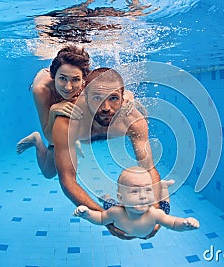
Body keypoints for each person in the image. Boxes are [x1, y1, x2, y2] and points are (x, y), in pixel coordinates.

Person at [52, 68, 162, 239]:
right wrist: (106, 218)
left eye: (113, 98)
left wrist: (155, 212)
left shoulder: (133, 120)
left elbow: (149, 168)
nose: (105, 108)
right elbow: (67, 179)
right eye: (97, 98)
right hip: (71, 131)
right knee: (47, 169)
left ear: (123, 99)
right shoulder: (67, 122)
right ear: (85, 97)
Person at [16, 45, 89, 178]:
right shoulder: (41, 90)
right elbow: (50, 137)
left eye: (76, 79)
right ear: (54, 76)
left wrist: (128, 98)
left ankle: (72, 138)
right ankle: (36, 140)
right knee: (49, 172)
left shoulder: (88, 83)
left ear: (83, 79)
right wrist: (53, 111)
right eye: (62, 78)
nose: (68, 87)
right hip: (52, 96)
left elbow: (119, 91)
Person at [73, 166, 200, 238]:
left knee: (165, 206)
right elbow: (100, 218)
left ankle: (164, 187)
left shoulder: (155, 214)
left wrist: (185, 224)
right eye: (135, 191)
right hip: (120, 207)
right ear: (121, 198)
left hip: (150, 224)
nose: (143, 196)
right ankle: (106, 196)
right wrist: (87, 214)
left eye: (148, 189)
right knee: (108, 204)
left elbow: (172, 223)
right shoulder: (115, 212)